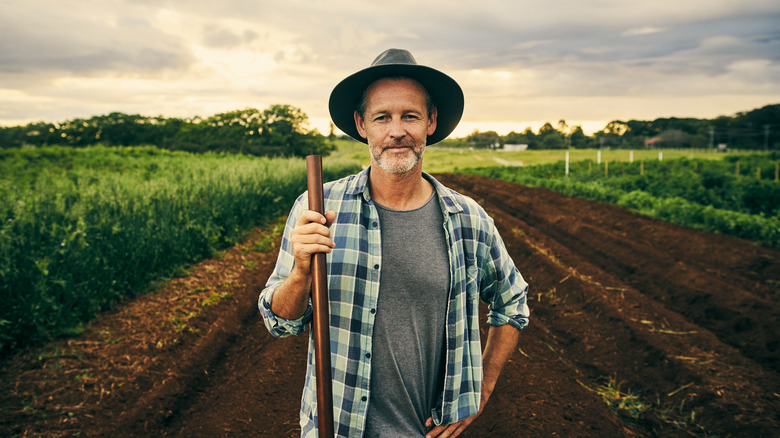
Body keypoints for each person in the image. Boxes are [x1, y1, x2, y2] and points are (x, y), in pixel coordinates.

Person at [259, 48, 530, 438]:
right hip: (338, 430)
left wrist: (480, 388)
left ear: (431, 122)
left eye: (410, 116)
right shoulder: (317, 206)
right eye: (382, 117)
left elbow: (512, 301)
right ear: (362, 124)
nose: (396, 130)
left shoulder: (469, 219)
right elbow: (279, 324)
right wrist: (301, 271)